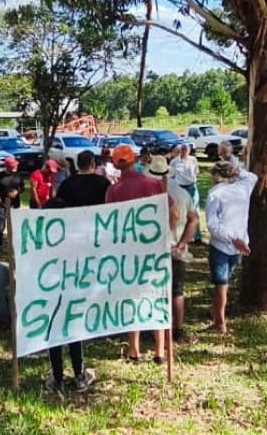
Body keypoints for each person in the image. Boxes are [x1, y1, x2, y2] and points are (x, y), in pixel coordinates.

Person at [43, 151, 108, 392]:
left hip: (55, 273)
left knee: (56, 323)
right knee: (73, 321)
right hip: (86, 257)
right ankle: (79, 374)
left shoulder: (66, 187)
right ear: (93, 164)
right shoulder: (103, 184)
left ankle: (58, 377)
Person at [105, 144, 174, 362]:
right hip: (154, 251)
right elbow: (172, 213)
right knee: (157, 295)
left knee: (131, 299)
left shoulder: (114, 191)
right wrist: (166, 237)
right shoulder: (153, 184)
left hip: (127, 254)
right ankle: (160, 351)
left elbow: (110, 224)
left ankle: (134, 350)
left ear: (116, 165)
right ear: (135, 160)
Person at [145, 157, 198, 341]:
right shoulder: (183, 194)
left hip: (154, 250)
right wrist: (183, 243)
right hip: (176, 249)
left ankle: (156, 329)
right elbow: (194, 219)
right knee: (177, 290)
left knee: (154, 290)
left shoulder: (147, 195)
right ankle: (178, 327)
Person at [204, 160, 250, 333]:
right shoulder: (244, 187)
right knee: (225, 281)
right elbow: (251, 176)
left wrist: (232, 238)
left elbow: (212, 224)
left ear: (217, 175)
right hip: (240, 242)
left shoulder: (215, 193)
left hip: (222, 244)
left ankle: (220, 322)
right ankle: (216, 311)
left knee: (221, 284)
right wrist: (236, 169)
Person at [0, 157, 23, 247]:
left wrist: (17, 192)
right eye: (12, 166)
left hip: (15, 205)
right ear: (7, 167)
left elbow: (23, 187)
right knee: (0, 226)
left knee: (15, 225)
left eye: (15, 166)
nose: (15, 168)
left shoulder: (18, 175)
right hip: (2, 204)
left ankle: (15, 243)